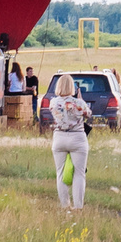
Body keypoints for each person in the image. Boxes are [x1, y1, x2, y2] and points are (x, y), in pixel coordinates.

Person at [46, 73, 92, 210]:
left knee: (60, 173)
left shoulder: (53, 102)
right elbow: (88, 114)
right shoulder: (78, 103)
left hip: (59, 137)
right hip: (77, 137)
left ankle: (65, 205)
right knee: (79, 173)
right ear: (73, 87)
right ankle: (78, 206)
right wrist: (80, 100)